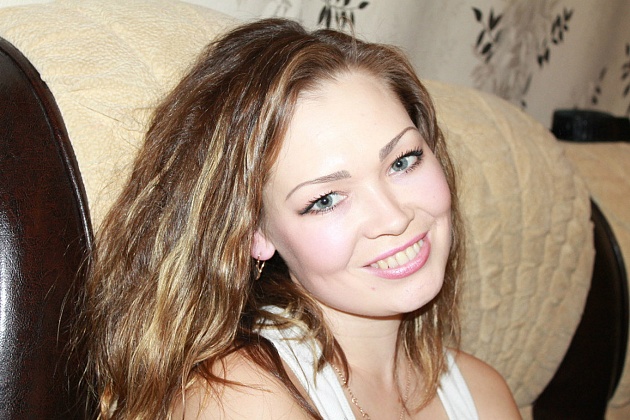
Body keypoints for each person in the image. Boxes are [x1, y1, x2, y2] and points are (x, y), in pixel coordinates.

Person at [80, 17, 521, 419]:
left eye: (403, 161)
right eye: (326, 199)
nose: (393, 218)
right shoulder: (243, 400)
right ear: (253, 233)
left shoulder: (484, 395)